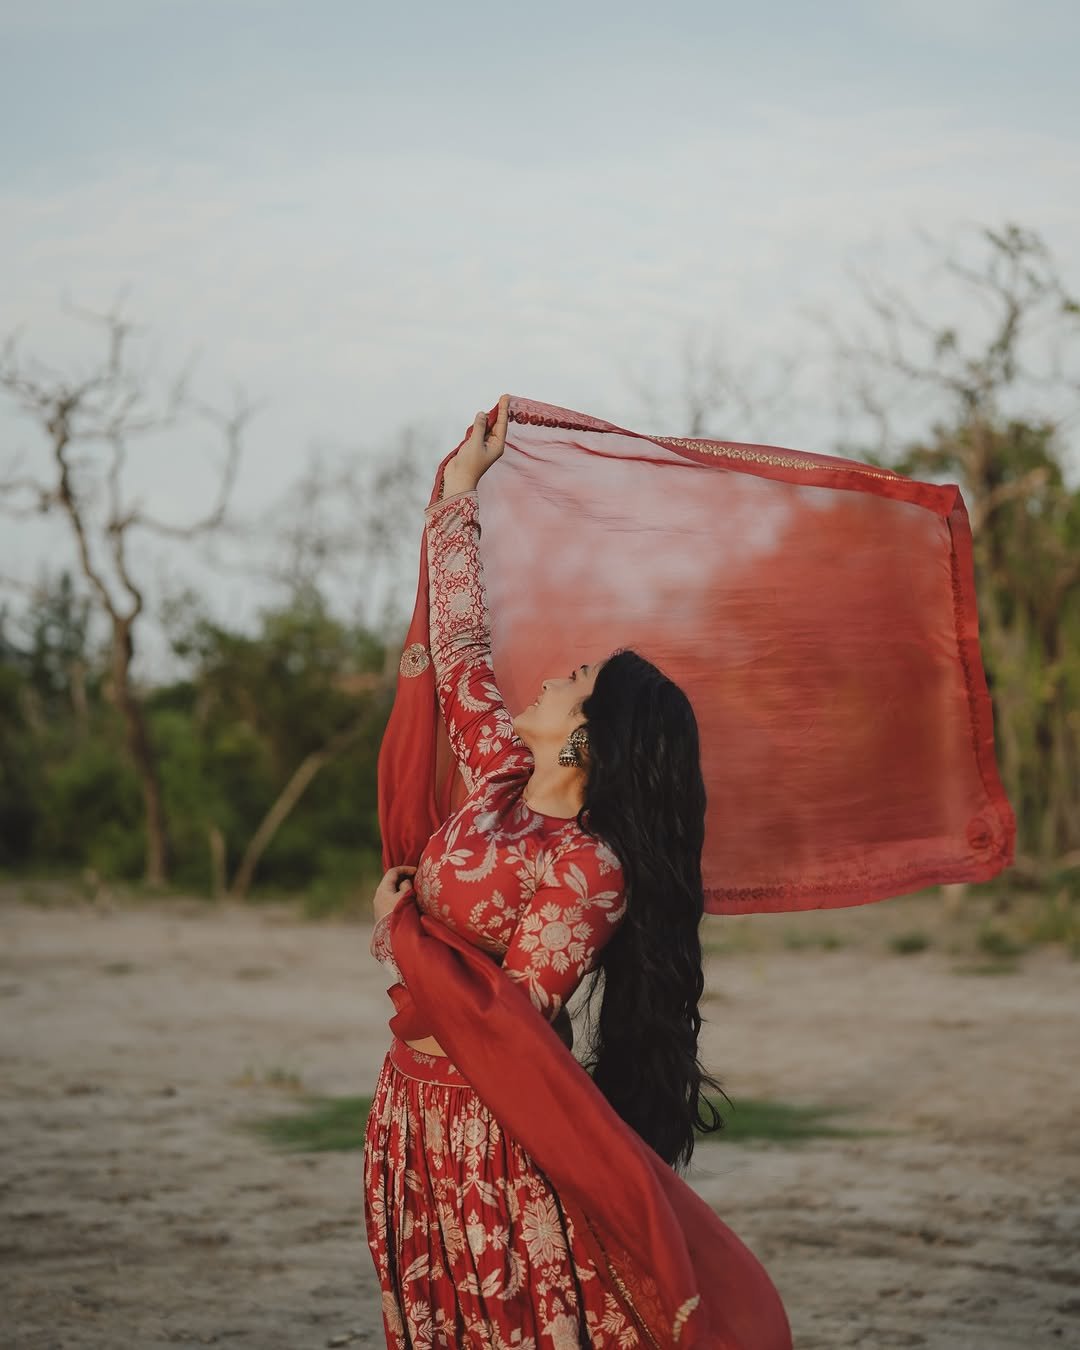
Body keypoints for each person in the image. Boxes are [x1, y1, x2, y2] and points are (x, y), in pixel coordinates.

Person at [362, 395, 759, 1347]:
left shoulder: (589, 872)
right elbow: (458, 648)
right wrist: (460, 492)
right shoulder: (499, 775)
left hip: (493, 1136)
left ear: (586, 740)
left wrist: (400, 934)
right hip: (408, 1107)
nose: (553, 674)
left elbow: (511, 1020)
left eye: (576, 679)